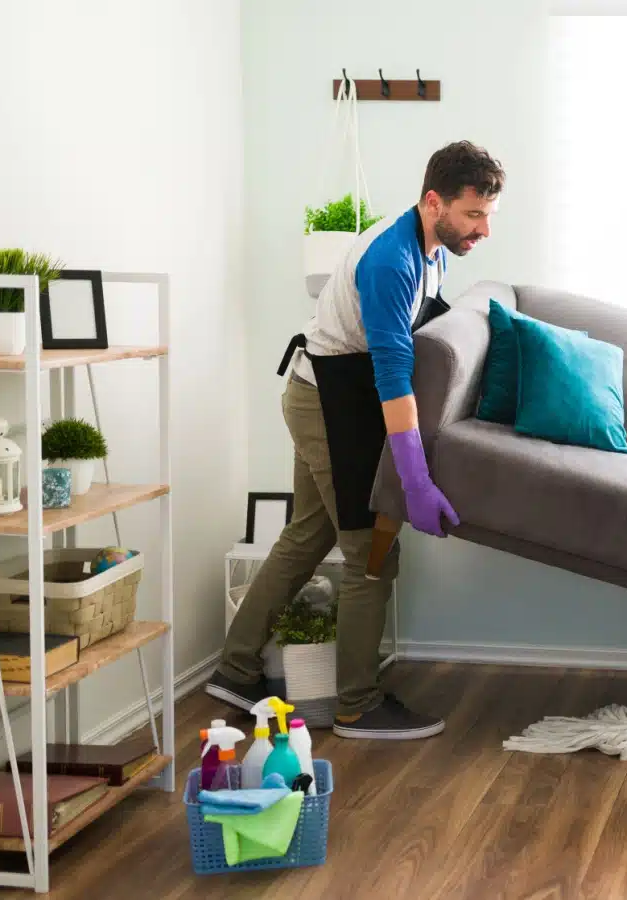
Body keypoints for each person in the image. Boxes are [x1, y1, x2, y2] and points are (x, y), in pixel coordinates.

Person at [206, 140, 504, 740]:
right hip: (328, 402)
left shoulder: (431, 249)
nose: (484, 229)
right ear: (432, 202)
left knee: (309, 533)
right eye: (474, 215)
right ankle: (356, 704)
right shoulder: (391, 262)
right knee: (373, 553)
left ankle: (236, 670)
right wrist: (414, 481)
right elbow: (392, 379)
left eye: (489, 215)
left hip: (329, 390)